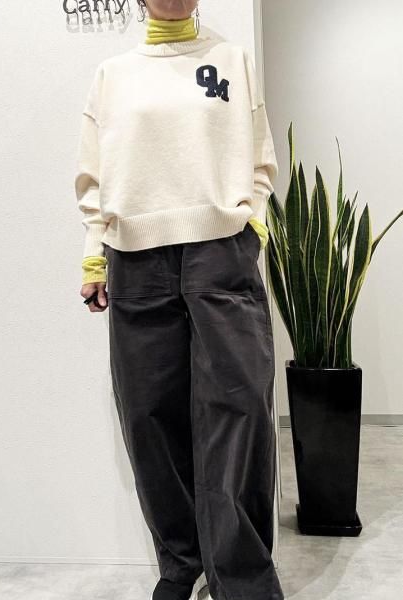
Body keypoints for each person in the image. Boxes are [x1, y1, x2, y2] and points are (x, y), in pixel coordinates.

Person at [74, 1, 284, 599]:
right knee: (149, 417)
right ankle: (180, 563)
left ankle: (240, 577)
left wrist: (253, 226)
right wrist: (94, 255)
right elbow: (94, 176)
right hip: (135, 255)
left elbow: (260, 160)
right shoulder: (113, 75)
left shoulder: (232, 60)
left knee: (238, 410)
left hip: (221, 250)